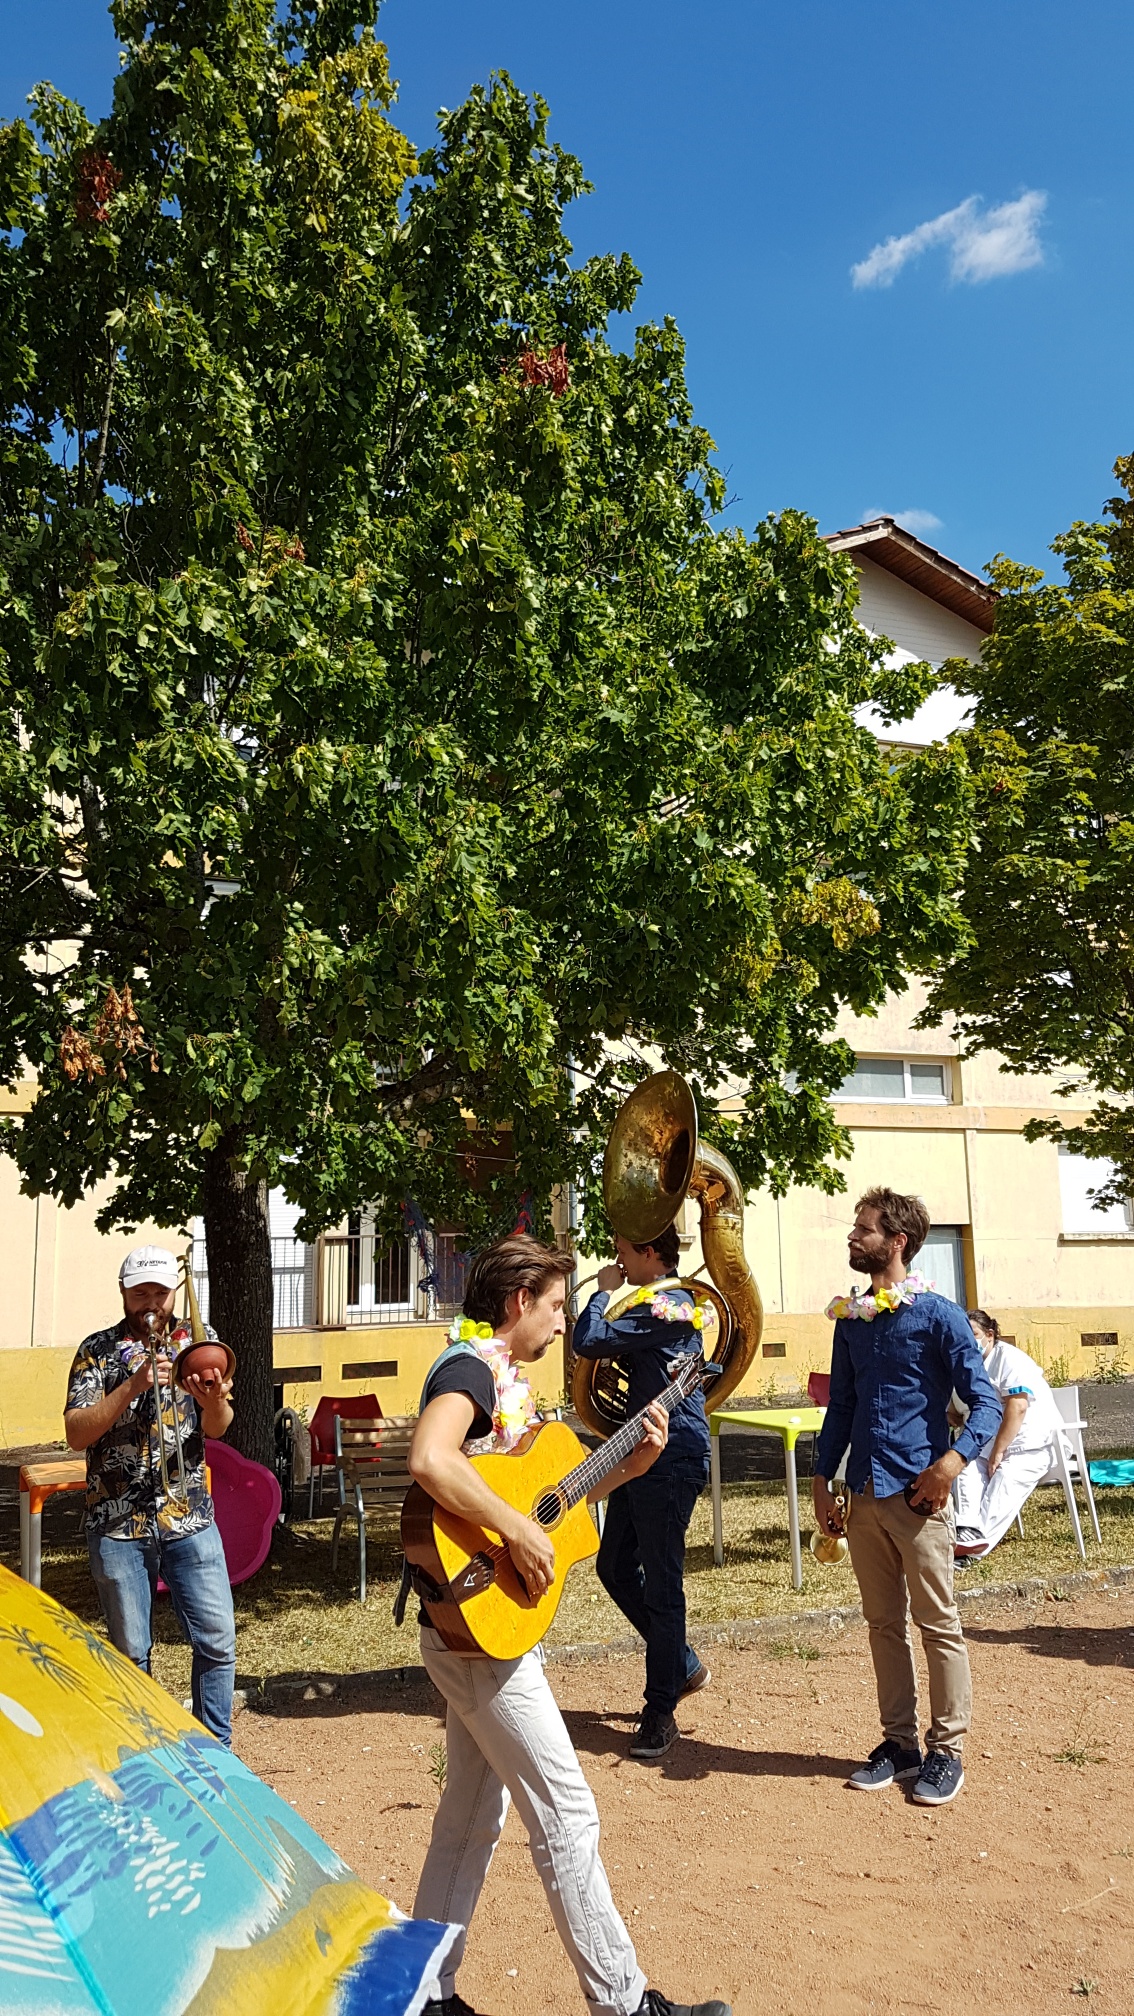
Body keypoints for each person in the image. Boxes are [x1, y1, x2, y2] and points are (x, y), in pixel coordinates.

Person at [408, 1233, 730, 2016]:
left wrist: (629, 1465)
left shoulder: (503, 1379)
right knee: (568, 1811)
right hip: (482, 1631)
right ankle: (622, 2003)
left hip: (476, 1624)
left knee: (471, 1815)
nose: (563, 1324)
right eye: (555, 1306)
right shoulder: (468, 1369)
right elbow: (431, 1460)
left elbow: (553, 1491)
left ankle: (423, 1994)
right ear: (517, 1303)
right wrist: (517, 1533)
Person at [812, 1189, 1000, 1808]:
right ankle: (899, 1745)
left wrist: (949, 1464)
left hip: (919, 1496)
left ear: (897, 1242)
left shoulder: (940, 1316)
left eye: (862, 1230)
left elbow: (987, 1402)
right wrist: (821, 1479)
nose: (852, 1238)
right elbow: (841, 1405)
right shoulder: (852, 1319)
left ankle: (947, 1750)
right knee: (882, 1625)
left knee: (938, 1624)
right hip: (862, 1493)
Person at [64, 1244, 237, 1746]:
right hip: (118, 1524)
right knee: (131, 1652)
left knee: (217, 1641)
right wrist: (132, 1387)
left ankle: (216, 1753)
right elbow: (77, 1432)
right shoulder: (95, 1351)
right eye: (141, 1292)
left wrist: (212, 1402)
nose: (151, 1303)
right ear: (123, 1292)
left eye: (160, 1293)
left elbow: (220, 1428)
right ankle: (147, 1753)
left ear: (172, 1293)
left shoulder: (200, 1345)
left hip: (190, 1518)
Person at [571, 1224, 711, 1762]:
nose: (618, 1260)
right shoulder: (662, 1304)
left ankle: (660, 1711)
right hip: (639, 1451)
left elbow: (589, 1340)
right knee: (614, 1566)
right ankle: (681, 1662)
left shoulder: (664, 1306)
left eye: (624, 1251)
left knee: (662, 1582)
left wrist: (602, 1291)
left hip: (669, 1456)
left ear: (650, 1252)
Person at [951, 1310, 1069, 1559]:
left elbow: (1018, 1406)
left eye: (974, 1334)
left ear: (990, 1335)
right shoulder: (968, 1364)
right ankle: (966, 1530)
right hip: (990, 1443)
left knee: (1005, 1479)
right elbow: (954, 1409)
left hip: (1034, 1445)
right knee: (964, 1466)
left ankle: (971, 1552)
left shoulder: (1010, 1359)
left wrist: (998, 1452)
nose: (968, 1341)